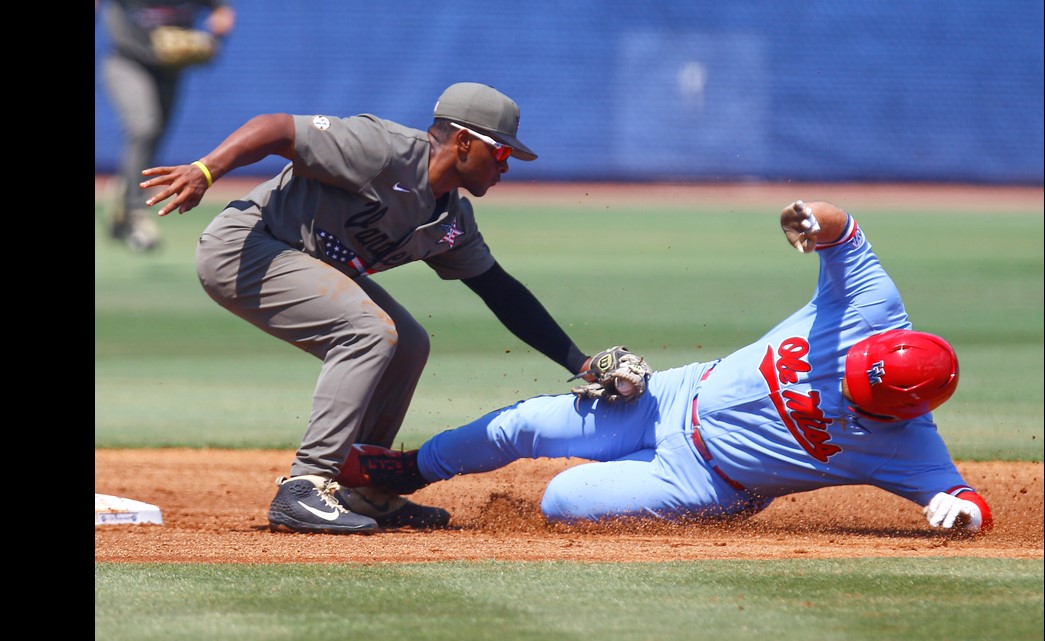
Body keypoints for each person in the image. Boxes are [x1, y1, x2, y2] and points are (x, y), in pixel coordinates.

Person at [335, 200, 995, 535]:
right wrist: (808, 217)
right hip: (676, 395)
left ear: (904, 411)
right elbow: (843, 229)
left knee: (561, 500)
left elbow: (967, 502)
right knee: (525, 424)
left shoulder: (908, 446)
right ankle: (410, 469)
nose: (845, 378)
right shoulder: (871, 305)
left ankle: (690, 514)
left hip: (708, 482)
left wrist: (960, 515)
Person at [139, 82, 606, 535]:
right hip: (247, 246)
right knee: (368, 330)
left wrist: (581, 363)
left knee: (408, 342)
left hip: (302, 259)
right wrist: (205, 171)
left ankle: (363, 488)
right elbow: (276, 128)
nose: (506, 167)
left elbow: (500, 292)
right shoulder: (383, 150)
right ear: (464, 141)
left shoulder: (451, 220)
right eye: (502, 153)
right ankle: (306, 483)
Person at [97, 0, 236, 252]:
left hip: (168, 70)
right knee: (143, 126)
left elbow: (221, 11)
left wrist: (220, 20)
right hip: (126, 61)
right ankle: (136, 214)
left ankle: (124, 192)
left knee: (156, 133)